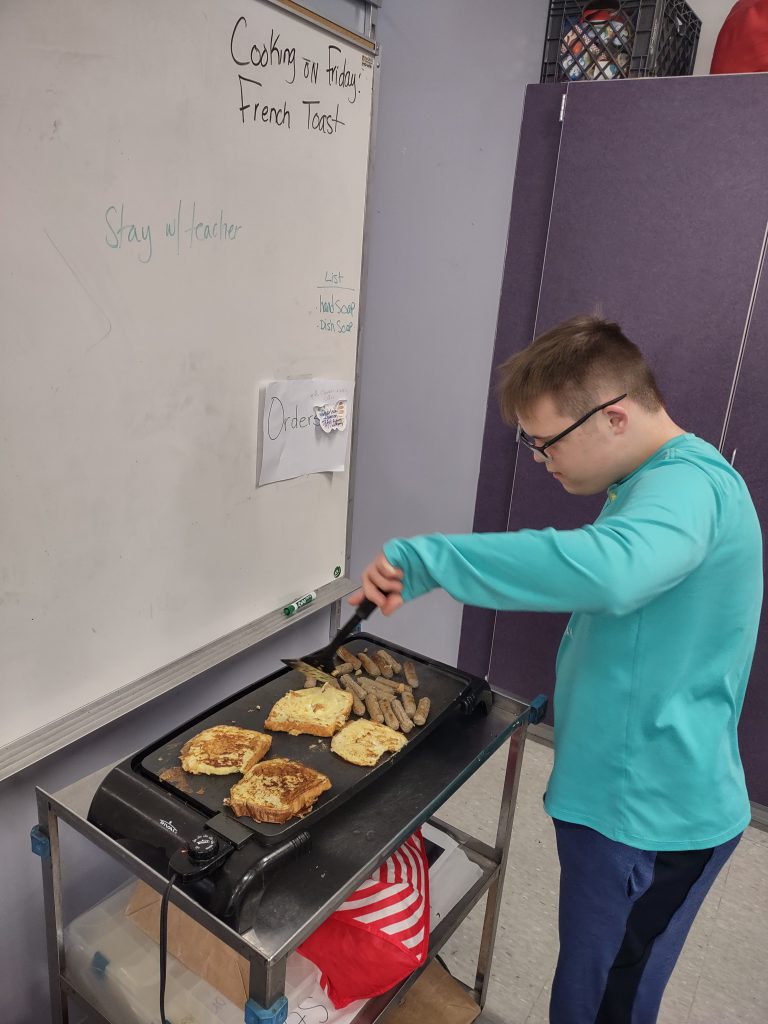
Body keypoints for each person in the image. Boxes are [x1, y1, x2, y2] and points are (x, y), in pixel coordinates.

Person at [350, 315, 763, 1024]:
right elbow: (639, 624)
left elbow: (611, 576)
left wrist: (429, 561)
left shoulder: (690, 489)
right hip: (626, 795)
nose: (543, 462)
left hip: (649, 820)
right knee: (592, 985)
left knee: (599, 1003)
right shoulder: (649, 481)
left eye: (547, 444)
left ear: (614, 416)